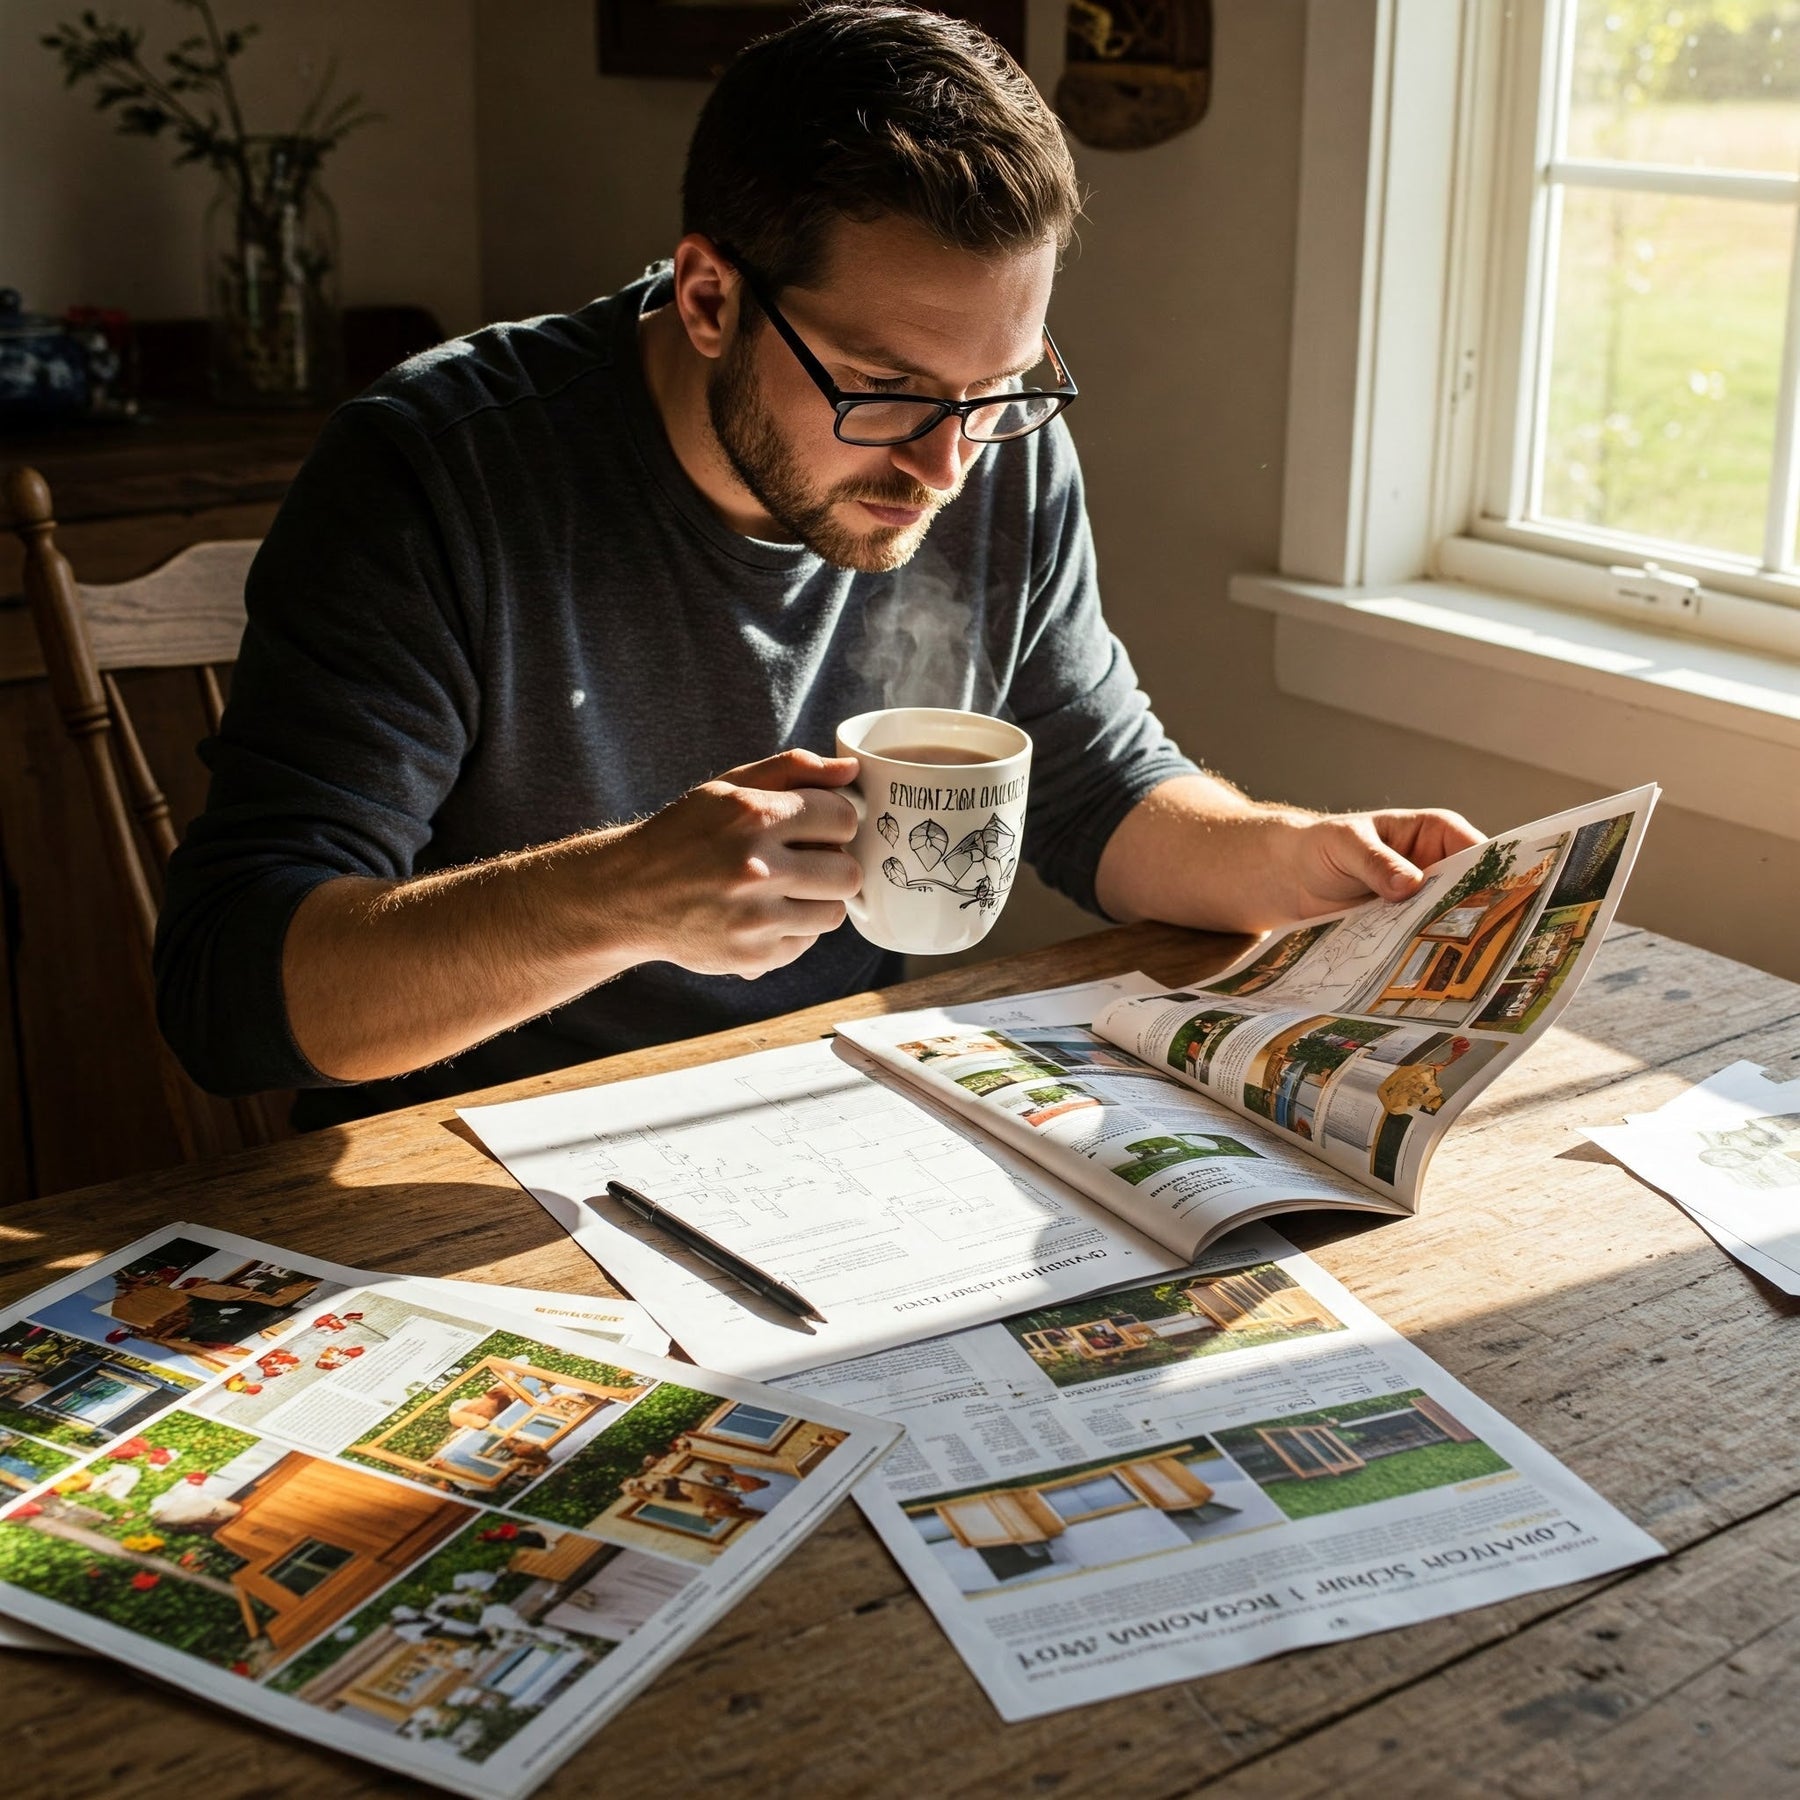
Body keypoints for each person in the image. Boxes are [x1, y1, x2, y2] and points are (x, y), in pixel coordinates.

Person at [154, 5, 1479, 1126]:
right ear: (710, 295)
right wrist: (615, 898)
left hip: (829, 1130)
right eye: (882, 388)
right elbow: (228, 998)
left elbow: (1094, 790)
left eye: (1000, 388)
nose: (945, 464)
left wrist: (1296, 856)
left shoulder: (990, 449)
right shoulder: (436, 473)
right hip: (472, 1174)